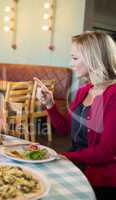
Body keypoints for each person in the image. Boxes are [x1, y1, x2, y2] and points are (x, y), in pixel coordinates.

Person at [34, 31, 116, 199]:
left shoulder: (113, 94)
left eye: (75, 58)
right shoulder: (84, 91)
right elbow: (65, 129)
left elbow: (105, 152)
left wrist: (63, 156)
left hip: (102, 179)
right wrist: (50, 104)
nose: (71, 64)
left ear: (94, 58)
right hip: (76, 165)